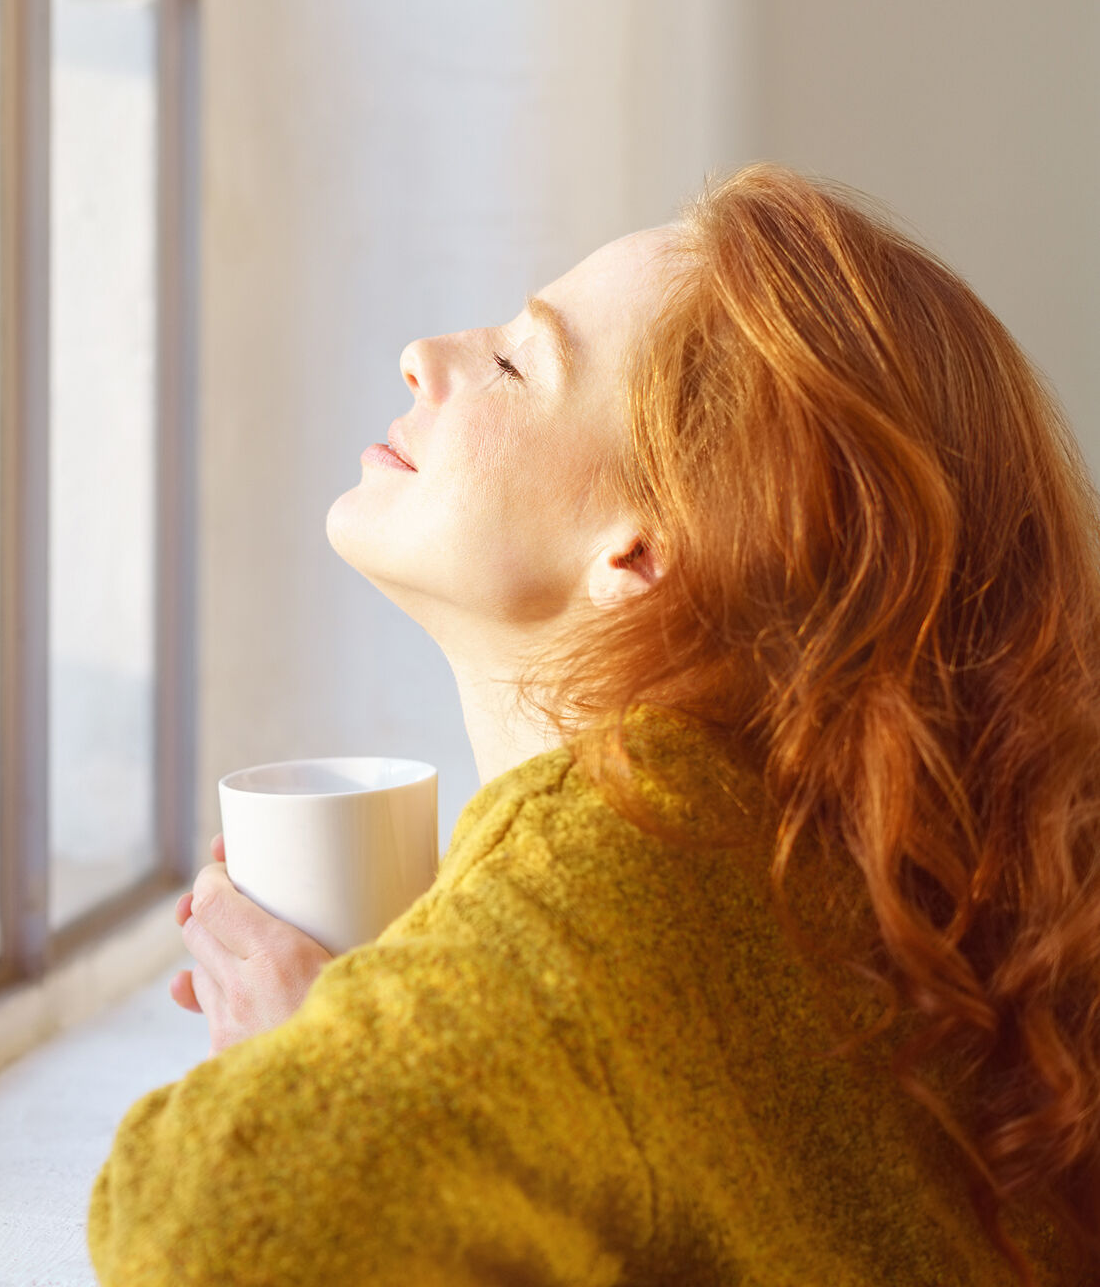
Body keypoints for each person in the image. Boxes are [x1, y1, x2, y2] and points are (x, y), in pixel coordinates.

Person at [88, 164, 1100, 1285]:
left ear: (644, 548)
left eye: (519, 361)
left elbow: (221, 1232)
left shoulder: (628, 859)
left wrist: (286, 1072)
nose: (428, 355)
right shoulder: (810, 847)